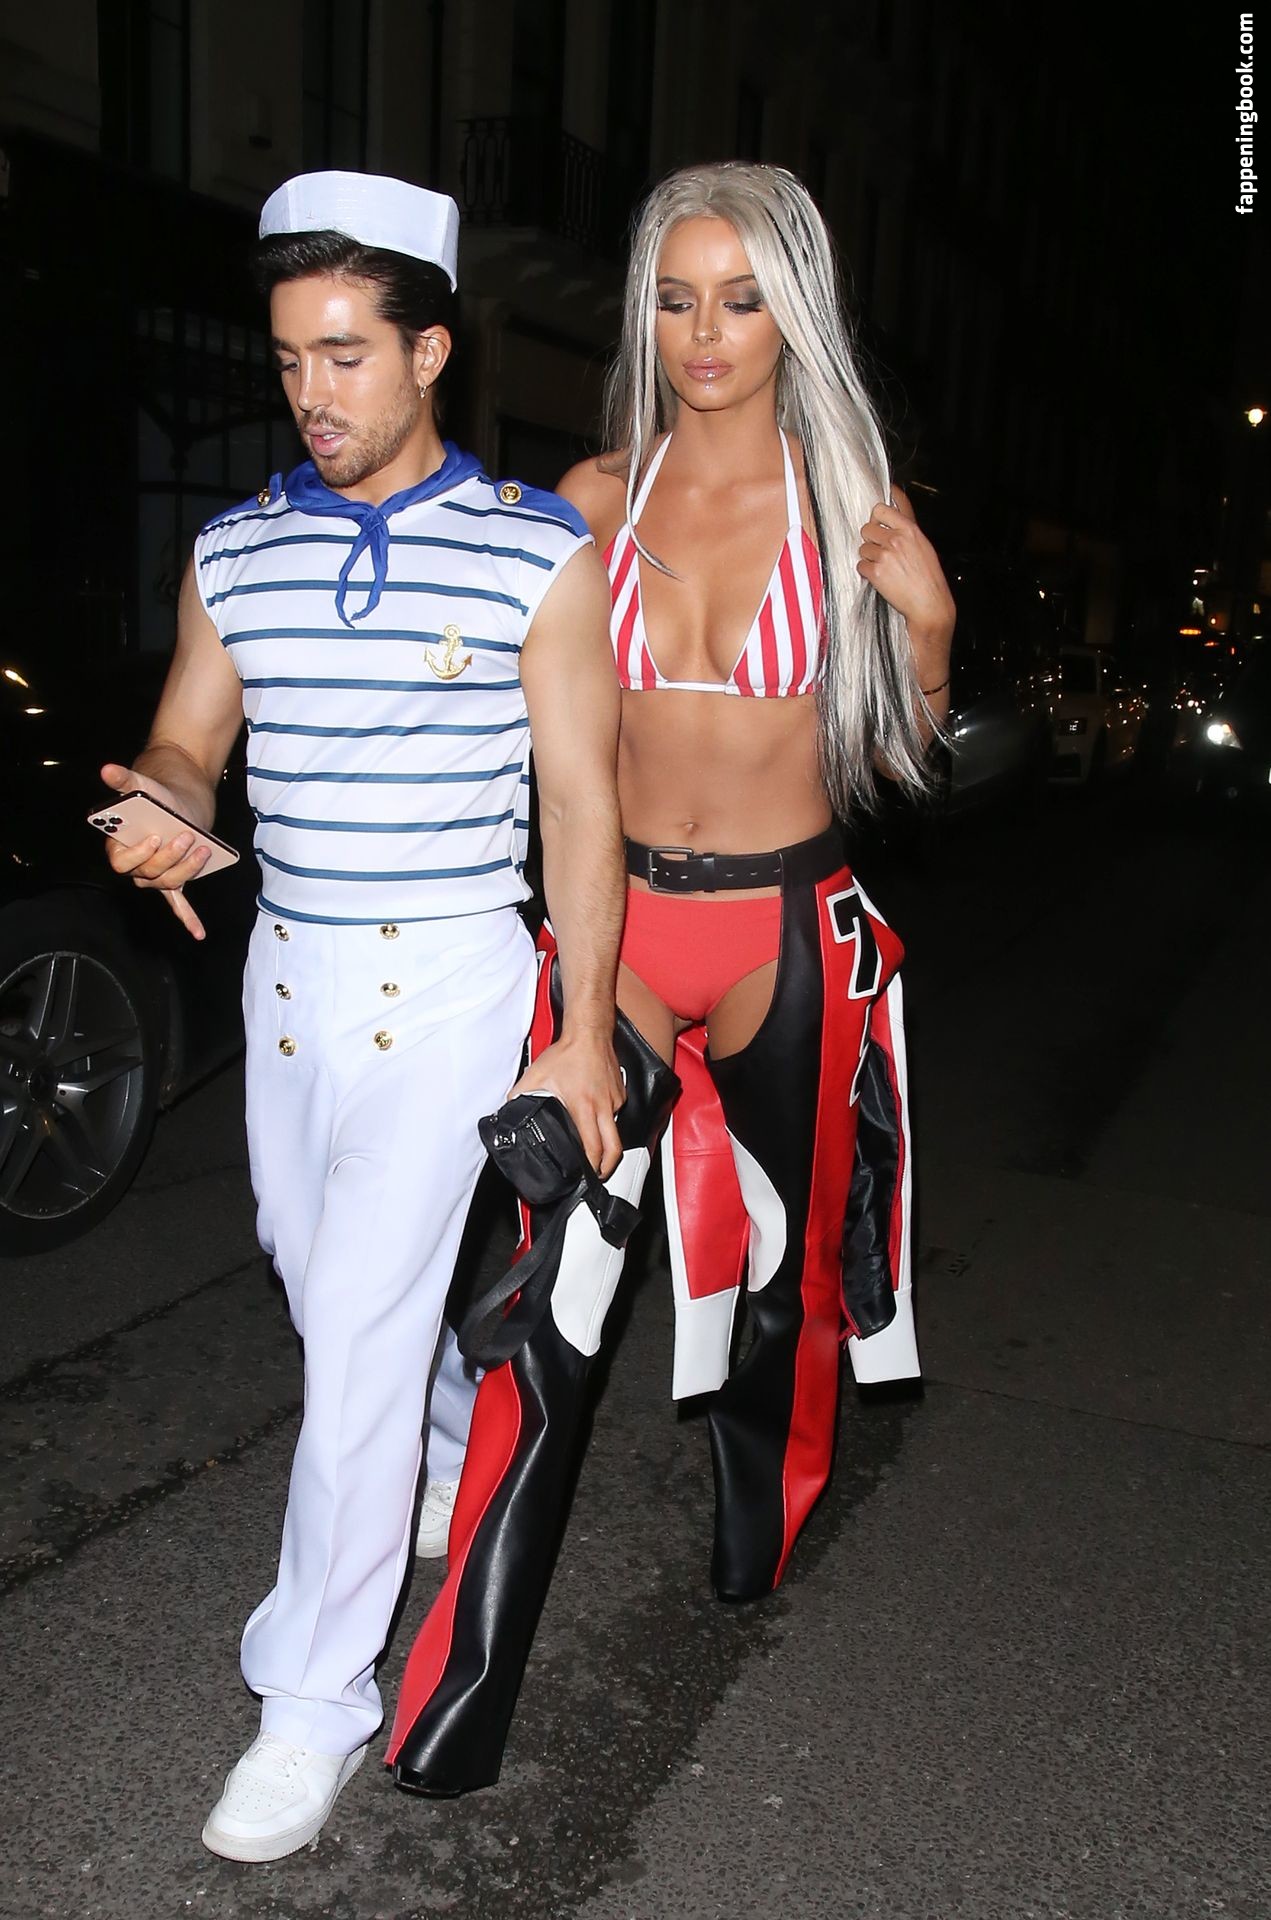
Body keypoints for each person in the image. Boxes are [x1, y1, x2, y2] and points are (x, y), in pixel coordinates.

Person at [386, 161, 956, 1800]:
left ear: (796, 314)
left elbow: (900, 762)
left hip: (790, 931)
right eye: (678, 298)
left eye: (743, 299)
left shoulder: (856, 513)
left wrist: (929, 631)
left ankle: (757, 1520)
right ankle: (452, 1706)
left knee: (792, 1281)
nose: (707, 333)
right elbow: (501, 726)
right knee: (544, 1312)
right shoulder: (589, 500)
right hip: (619, 940)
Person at [98, 168, 625, 1862]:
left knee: (351, 1345)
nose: (310, 393)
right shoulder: (237, 549)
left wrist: (583, 1030)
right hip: (289, 978)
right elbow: (191, 736)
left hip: (454, 972)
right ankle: (445, 1433)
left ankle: (313, 1701)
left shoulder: (538, 551)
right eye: (288, 360)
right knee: (316, 1277)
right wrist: (162, 801)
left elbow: (583, 811)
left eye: (344, 356)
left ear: (429, 352)